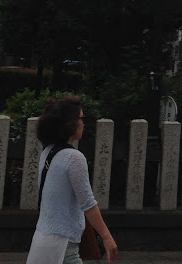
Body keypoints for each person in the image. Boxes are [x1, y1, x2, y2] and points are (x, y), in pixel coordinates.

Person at [26, 97, 118, 264]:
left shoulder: (47, 152)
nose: (83, 123)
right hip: (64, 244)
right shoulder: (74, 158)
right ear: (69, 124)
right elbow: (88, 203)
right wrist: (106, 236)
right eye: (80, 118)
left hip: (42, 238)